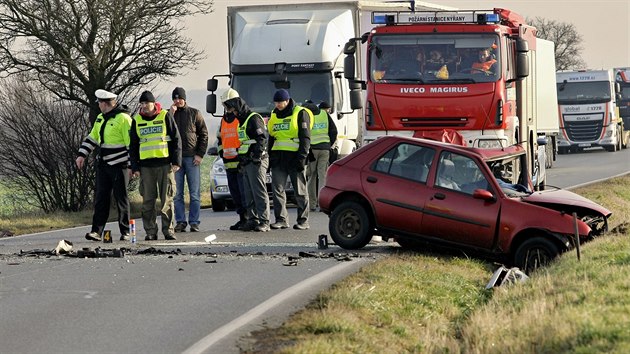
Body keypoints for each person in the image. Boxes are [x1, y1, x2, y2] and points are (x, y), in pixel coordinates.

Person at [75, 89, 132, 242]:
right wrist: (82, 155)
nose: (98, 105)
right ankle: (96, 231)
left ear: (106, 103)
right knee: (101, 198)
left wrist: (132, 166)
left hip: (120, 165)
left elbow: (131, 144)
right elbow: (93, 138)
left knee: (121, 199)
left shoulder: (124, 118)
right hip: (104, 165)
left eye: (100, 102)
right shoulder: (100, 118)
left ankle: (125, 231)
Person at [129, 90, 182, 241]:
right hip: (146, 167)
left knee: (167, 200)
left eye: (147, 103)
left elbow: (176, 139)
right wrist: (135, 167)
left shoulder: (165, 116)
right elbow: (132, 146)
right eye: (142, 103)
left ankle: (168, 230)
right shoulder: (137, 120)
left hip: (165, 165)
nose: (144, 106)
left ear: (153, 103)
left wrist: (176, 161)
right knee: (148, 201)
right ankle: (150, 231)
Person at [223, 92, 271, 232]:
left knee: (259, 192)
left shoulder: (253, 118)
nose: (230, 112)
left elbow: (261, 138)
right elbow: (244, 142)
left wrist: (256, 156)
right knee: (248, 193)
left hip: (256, 160)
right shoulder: (241, 121)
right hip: (245, 161)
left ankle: (264, 221)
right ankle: (252, 219)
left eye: (230, 108)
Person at [267, 89, 312, 230]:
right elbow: (271, 137)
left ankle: (303, 221)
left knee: (300, 191)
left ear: (287, 101)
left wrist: (302, 158)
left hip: (295, 158)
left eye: (280, 102)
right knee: (277, 190)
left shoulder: (300, 113)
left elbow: (305, 138)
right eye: (276, 102)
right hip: (278, 158)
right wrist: (270, 156)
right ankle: (281, 220)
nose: (278, 105)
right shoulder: (274, 114)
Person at [171, 87, 209, 233]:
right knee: (177, 194)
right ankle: (180, 222)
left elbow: (204, 134)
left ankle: (194, 222)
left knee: (194, 193)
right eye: (174, 99)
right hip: (176, 161)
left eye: (179, 98)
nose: (177, 101)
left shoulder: (194, 113)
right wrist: (170, 114)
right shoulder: (170, 115)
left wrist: (200, 154)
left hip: (192, 158)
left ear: (184, 99)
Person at [217, 88, 248, 231]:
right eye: (225, 105)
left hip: (240, 162)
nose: (227, 108)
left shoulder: (240, 119)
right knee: (235, 194)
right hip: (229, 163)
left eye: (228, 105)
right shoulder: (223, 121)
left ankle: (248, 218)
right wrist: (222, 154)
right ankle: (241, 218)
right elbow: (220, 140)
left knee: (244, 193)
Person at [303, 100, 337, 211]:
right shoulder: (324, 114)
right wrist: (328, 144)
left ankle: (312, 205)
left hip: (312, 150)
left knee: (311, 176)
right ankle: (323, 204)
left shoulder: (306, 115)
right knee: (322, 176)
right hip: (324, 149)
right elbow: (334, 131)